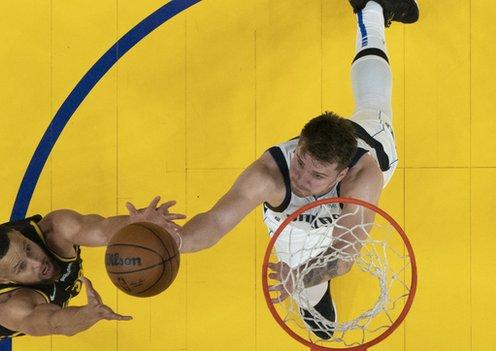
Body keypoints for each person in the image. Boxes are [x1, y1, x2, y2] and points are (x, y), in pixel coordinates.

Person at [176, 0, 419, 340]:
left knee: (375, 102)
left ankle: (371, 11)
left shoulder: (364, 178)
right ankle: (370, 10)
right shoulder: (270, 174)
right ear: (300, 144)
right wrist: (174, 241)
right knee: (316, 313)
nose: (302, 179)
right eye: (301, 161)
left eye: (317, 175)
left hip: (368, 153)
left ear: (341, 175)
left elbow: (345, 255)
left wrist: (301, 275)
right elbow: (215, 223)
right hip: (293, 228)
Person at [0, 197, 184, 341]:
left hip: (0, 249)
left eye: (29, 249)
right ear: (4, 278)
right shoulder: (11, 306)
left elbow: (99, 228)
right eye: (23, 267)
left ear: (19, 235)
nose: (38, 262)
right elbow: (54, 322)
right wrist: (86, 315)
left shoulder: (54, 230)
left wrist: (134, 224)